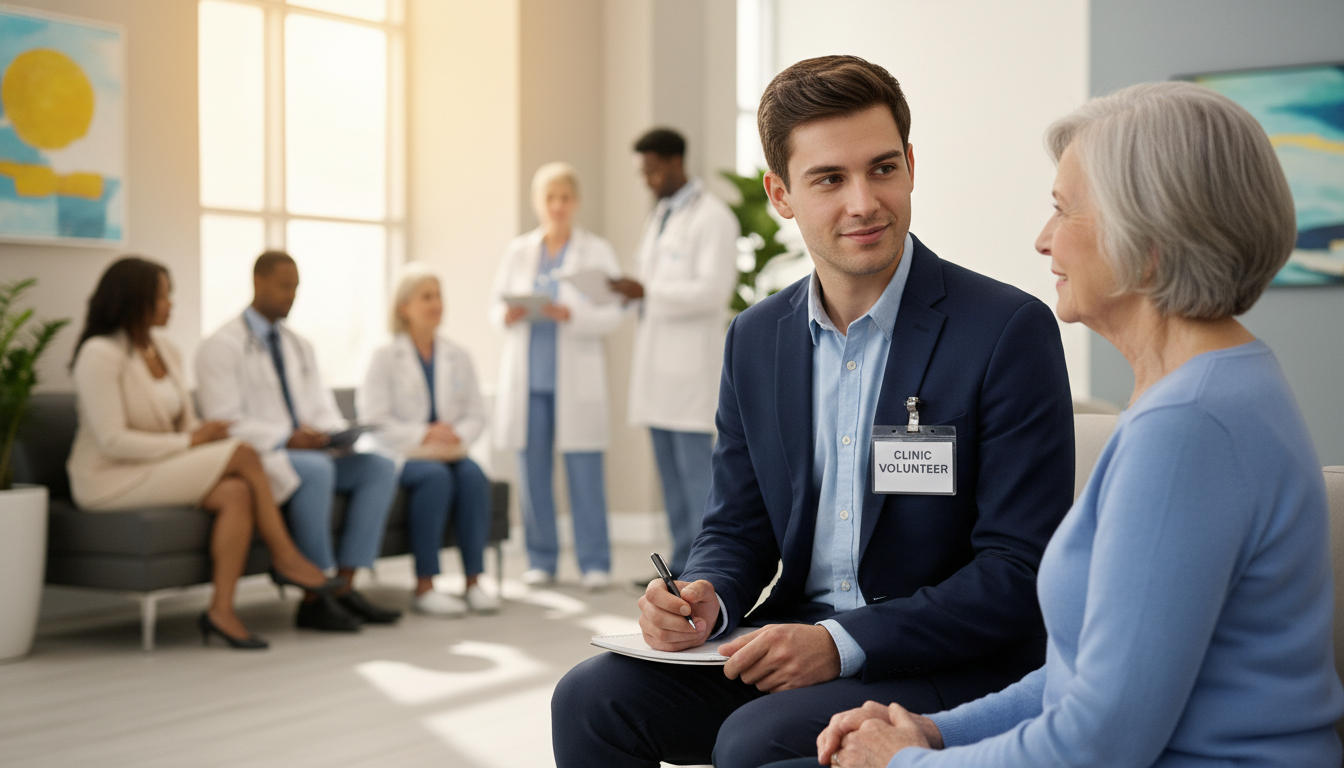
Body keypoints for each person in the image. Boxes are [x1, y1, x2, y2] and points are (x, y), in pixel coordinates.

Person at [769, 81, 1344, 768]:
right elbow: (1082, 683)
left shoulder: (1186, 428)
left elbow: (1096, 743)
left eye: (1062, 211)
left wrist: (902, 763)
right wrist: (934, 731)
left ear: (1149, 237)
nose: (1043, 241)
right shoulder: (1217, 384)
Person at [550, 55, 1075, 768]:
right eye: (830, 179)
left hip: (949, 659)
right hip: (793, 639)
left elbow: (1019, 569)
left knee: (752, 741)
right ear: (781, 194)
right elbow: (737, 527)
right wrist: (706, 597)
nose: (864, 202)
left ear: (912, 166)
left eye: (883, 169)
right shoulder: (756, 338)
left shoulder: (1005, 329)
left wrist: (840, 643)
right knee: (590, 699)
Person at [67, 257, 337, 650]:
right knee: (244, 454)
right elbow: (112, 441)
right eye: (162, 296)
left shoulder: (167, 350)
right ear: (134, 299)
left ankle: (221, 611)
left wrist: (203, 434)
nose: (171, 304)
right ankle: (286, 557)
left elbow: (186, 422)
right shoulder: (99, 354)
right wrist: (191, 443)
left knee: (237, 493)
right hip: (110, 477)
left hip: (158, 466)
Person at [196, 250, 401, 632]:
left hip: (308, 451)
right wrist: (286, 438)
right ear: (258, 282)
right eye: (284, 286)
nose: (292, 295)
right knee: (317, 469)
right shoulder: (220, 346)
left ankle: (345, 586)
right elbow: (223, 421)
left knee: (378, 467)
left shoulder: (299, 345)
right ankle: (314, 595)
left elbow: (320, 406)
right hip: (264, 457)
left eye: (296, 288)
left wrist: (336, 434)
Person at [609, 127, 740, 580]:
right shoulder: (661, 216)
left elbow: (712, 292)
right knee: (670, 480)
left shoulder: (713, 218)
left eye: (650, 170)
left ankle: (705, 570)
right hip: (657, 370)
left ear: (673, 162)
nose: (646, 179)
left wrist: (647, 290)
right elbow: (654, 285)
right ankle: (679, 565)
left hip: (689, 373)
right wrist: (630, 292)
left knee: (696, 480)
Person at [489, 162, 624, 590]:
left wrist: (573, 314)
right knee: (533, 473)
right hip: (529, 380)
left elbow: (613, 312)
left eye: (565, 197)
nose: (558, 206)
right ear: (538, 203)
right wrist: (506, 314)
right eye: (550, 198)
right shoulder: (519, 252)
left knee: (584, 471)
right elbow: (493, 306)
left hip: (574, 378)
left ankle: (594, 561)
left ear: (576, 202)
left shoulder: (596, 251)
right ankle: (542, 559)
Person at [359, 265, 499, 617]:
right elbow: (373, 420)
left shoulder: (458, 354)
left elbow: (476, 413)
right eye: (427, 297)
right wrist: (424, 433)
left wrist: (456, 434)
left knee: (472, 475)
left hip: (449, 451)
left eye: (438, 296)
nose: (436, 304)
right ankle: (425, 586)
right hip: (403, 455)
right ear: (404, 307)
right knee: (434, 479)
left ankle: (473, 582)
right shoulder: (385, 356)